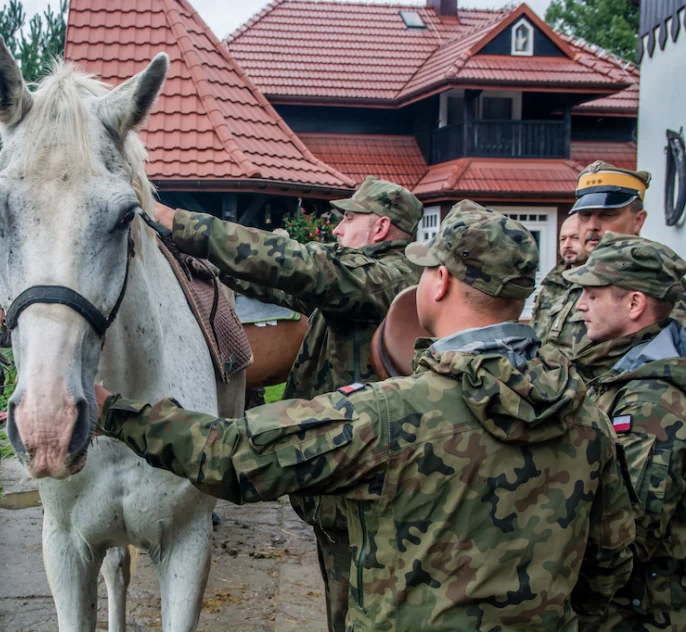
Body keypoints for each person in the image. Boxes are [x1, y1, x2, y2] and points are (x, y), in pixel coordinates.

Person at [97, 202, 634, 631]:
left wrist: (112, 411)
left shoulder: (396, 412)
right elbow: (609, 562)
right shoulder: (587, 414)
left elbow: (233, 455)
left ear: (439, 282)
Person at [152, 176, 422, 632]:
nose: (338, 229)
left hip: (372, 500)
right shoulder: (354, 283)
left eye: (349, 219)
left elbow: (300, 266)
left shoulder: (390, 277)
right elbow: (279, 282)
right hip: (343, 496)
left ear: (379, 228)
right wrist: (200, 258)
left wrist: (178, 222)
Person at [567, 233, 686, 631]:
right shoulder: (619, 372)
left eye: (592, 294)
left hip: (638, 614)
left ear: (635, 304)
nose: (580, 305)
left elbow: (633, 534)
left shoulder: (652, 401)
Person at [541, 161, 685, 354]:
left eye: (607, 215)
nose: (592, 225)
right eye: (585, 215)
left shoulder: (659, 286)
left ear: (638, 220)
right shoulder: (560, 280)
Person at [531, 213, 585, 343]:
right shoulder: (551, 285)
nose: (567, 245)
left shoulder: (597, 285)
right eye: (563, 239)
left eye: (575, 238)